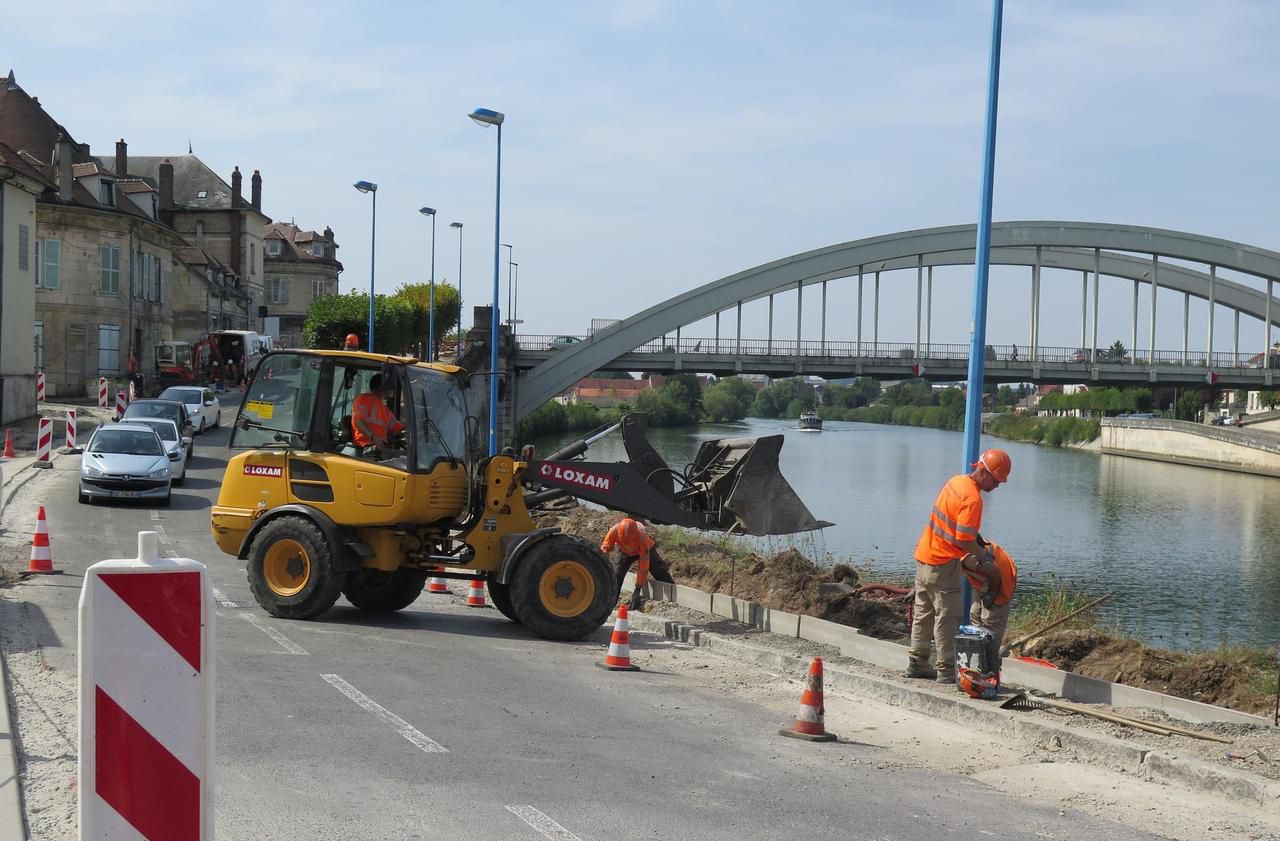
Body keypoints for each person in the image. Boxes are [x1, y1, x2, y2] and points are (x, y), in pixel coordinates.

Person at [905, 448, 1012, 683]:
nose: (997, 485)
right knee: (948, 617)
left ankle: (917, 662)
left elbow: (959, 526)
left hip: (924, 555)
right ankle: (945, 670)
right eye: (996, 480)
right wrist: (983, 555)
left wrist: (976, 539)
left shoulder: (956, 481)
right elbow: (962, 538)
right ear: (983, 471)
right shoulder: (973, 498)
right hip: (943, 563)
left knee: (924, 613)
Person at [961, 540, 1017, 677]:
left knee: (991, 625)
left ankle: (991, 671)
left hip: (1000, 579)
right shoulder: (953, 550)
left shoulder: (968, 557)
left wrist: (991, 593)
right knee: (975, 616)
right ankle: (979, 664)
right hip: (984, 579)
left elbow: (994, 571)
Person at [601, 514, 674, 609]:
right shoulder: (614, 530)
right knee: (616, 575)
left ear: (635, 535)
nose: (628, 543)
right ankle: (609, 604)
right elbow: (605, 548)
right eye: (625, 540)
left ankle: (674, 596)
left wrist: (637, 589)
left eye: (629, 541)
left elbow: (643, 568)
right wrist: (604, 565)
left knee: (660, 571)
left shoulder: (642, 538)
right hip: (624, 551)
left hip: (646, 549)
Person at [351, 373, 405, 451]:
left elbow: (398, 427)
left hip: (378, 449)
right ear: (380, 387)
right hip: (362, 448)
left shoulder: (384, 409)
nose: (390, 390)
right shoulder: (363, 399)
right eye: (388, 387)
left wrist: (412, 430)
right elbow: (359, 421)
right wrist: (373, 437)